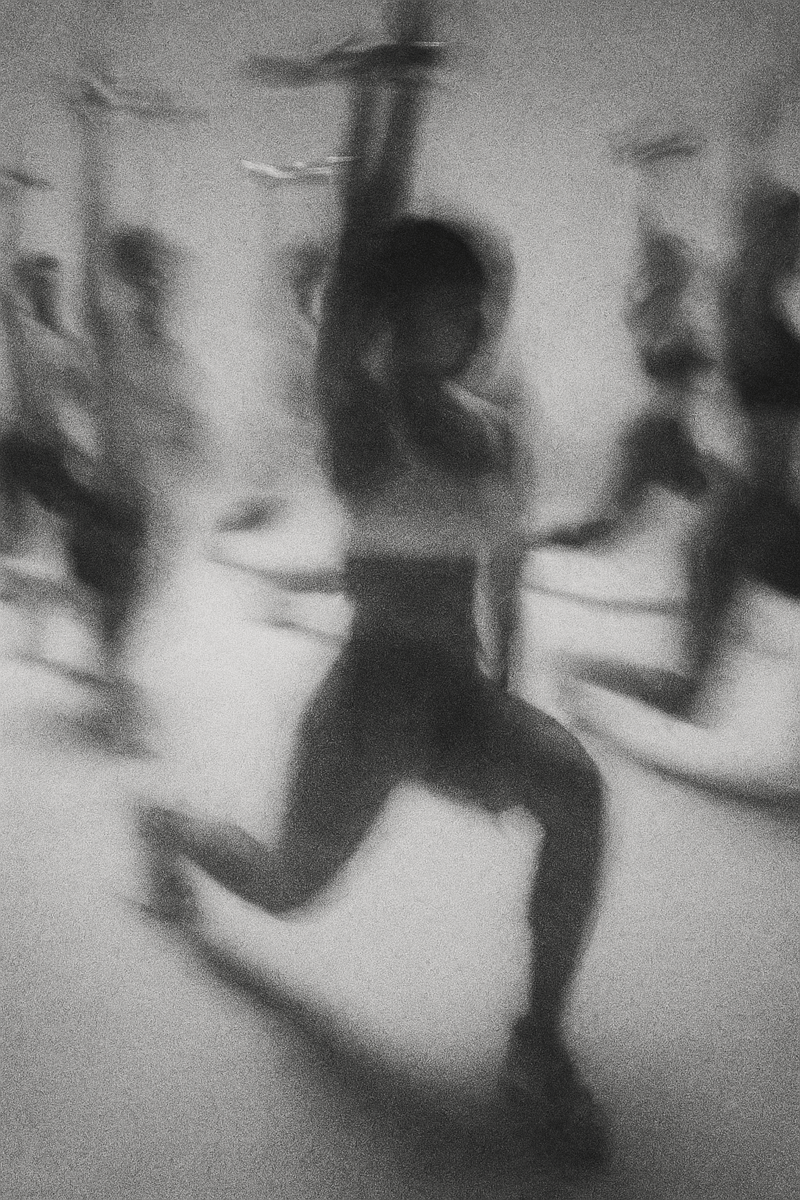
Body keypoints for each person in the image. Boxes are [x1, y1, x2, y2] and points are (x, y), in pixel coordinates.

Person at [137, 12, 608, 1169]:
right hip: (363, 705)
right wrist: (396, 87)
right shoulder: (360, 416)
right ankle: (168, 829)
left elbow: (507, 581)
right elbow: (356, 256)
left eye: (469, 300)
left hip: (456, 701)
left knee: (574, 788)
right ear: (392, 312)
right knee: (287, 887)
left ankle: (537, 1046)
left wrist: (504, 705)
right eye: (431, 299)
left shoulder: (498, 437)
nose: (458, 318)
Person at [68, 225, 204, 751]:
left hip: (144, 502)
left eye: (165, 283)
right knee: (118, 602)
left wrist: (189, 438)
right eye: (149, 280)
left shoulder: (172, 358)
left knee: (129, 604)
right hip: (109, 497)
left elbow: (184, 425)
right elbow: (93, 290)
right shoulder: (114, 341)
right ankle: (112, 696)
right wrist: (92, 179)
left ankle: (111, 688)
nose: (160, 292)